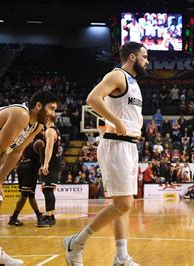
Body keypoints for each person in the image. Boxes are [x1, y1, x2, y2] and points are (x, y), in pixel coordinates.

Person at [63, 41, 148, 266]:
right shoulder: (117, 76)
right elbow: (92, 99)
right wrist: (116, 121)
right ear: (132, 57)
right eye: (144, 57)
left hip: (130, 145)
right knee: (123, 204)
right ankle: (76, 242)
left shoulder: (134, 82)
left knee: (125, 204)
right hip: (116, 144)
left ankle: (121, 257)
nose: (146, 61)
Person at [0, 90, 59, 265]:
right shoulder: (21, 114)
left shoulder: (37, 126)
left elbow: (16, 152)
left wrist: (0, 180)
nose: (53, 114)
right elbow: (1, 147)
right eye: (51, 108)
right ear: (38, 106)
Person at [8, 134, 45, 227]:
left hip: (21, 167)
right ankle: (14, 217)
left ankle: (38, 215)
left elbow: (12, 149)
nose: (44, 132)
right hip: (31, 168)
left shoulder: (23, 139)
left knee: (30, 195)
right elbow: (42, 160)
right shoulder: (39, 142)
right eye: (43, 130)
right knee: (24, 195)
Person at [38, 114, 62, 227]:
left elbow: (49, 147)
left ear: (47, 118)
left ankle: (49, 217)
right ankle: (51, 215)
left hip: (51, 164)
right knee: (48, 190)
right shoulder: (55, 130)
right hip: (55, 163)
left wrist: (46, 164)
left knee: (47, 190)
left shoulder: (50, 131)